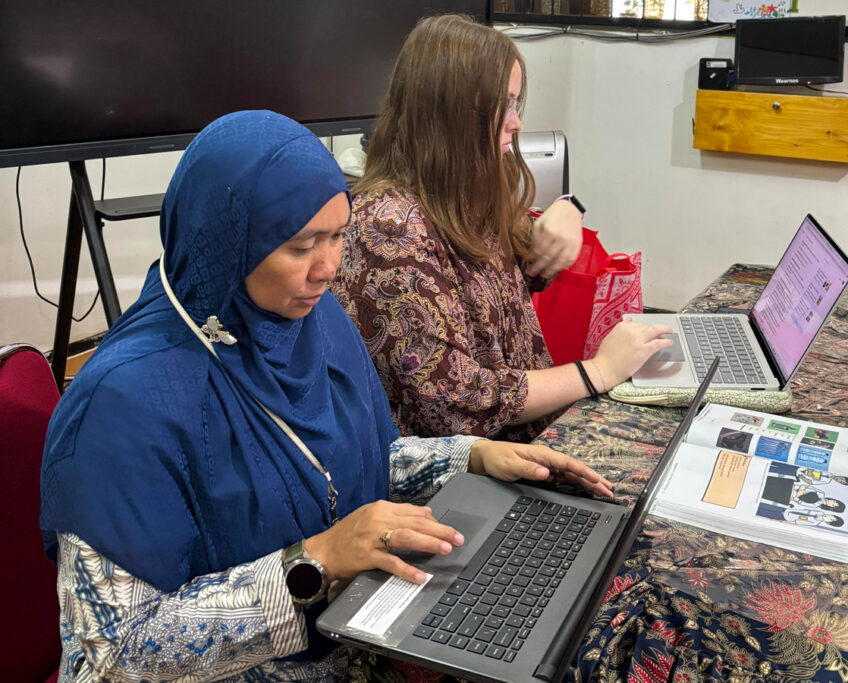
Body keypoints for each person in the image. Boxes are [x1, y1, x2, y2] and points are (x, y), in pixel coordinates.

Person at [39, 111, 612, 681]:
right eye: (301, 246)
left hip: (348, 632)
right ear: (226, 245)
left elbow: (350, 464)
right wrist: (313, 563)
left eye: (339, 235)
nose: (329, 268)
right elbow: (113, 654)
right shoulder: (122, 405)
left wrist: (471, 457)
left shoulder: (314, 323)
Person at [332, 14, 672, 442]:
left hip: (517, 443)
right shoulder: (388, 229)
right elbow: (454, 403)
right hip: (464, 474)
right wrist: (598, 371)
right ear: (453, 112)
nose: (517, 122)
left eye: (517, 104)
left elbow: (526, 257)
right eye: (505, 105)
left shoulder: (460, 196)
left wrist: (569, 207)